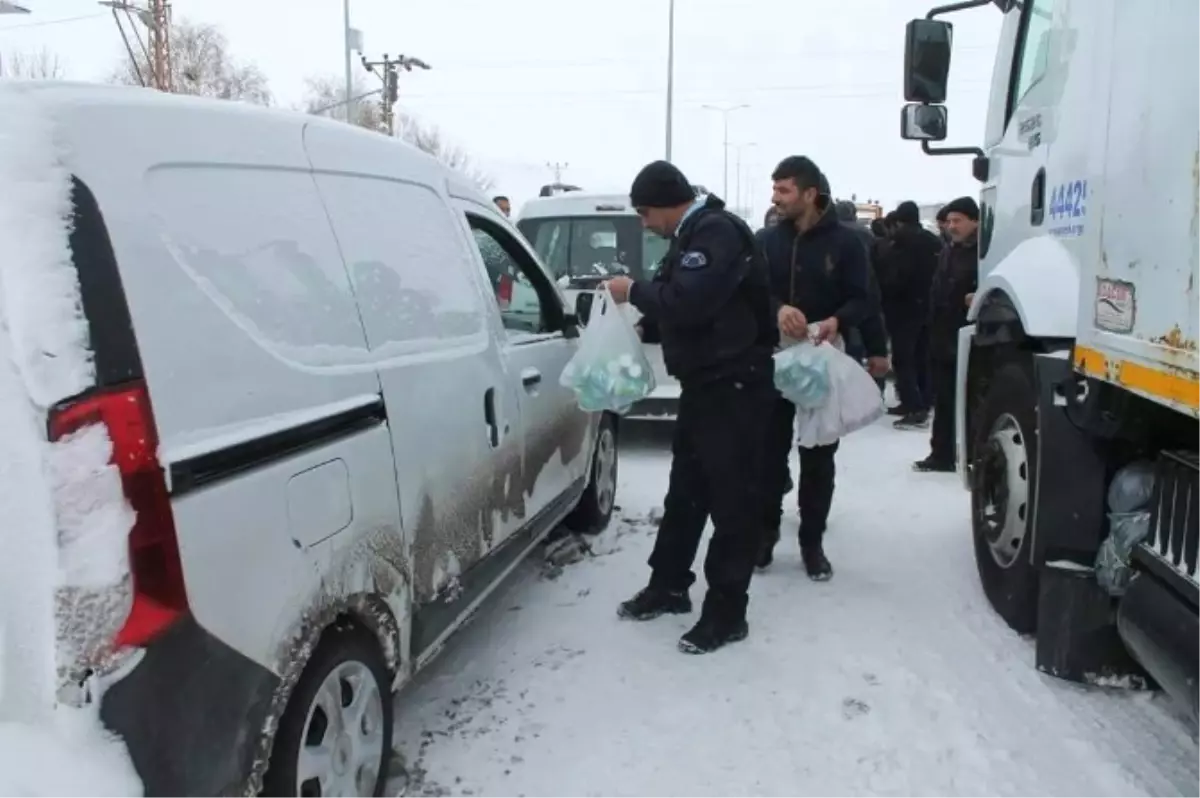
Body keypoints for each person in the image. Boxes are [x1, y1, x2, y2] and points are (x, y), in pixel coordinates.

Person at [604, 160, 777, 654]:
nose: (643, 223)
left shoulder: (716, 232)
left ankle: (727, 613)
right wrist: (646, 327)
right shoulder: (692, 236)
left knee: (731, 501)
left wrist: (632, 291)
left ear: (664, 202)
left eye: (644, 212)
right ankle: (669, 585)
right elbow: (694, 308)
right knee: (686, 492)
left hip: (736, 388)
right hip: (706, 387)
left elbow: (692, 300)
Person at [755, 156, 873, 580]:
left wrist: (836, 320)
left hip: (824, 357)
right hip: (775, 358)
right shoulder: (767, 241)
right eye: (775, 189)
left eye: (784, 190)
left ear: (809, 193)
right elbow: (752, 294)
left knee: (819, 456)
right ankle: (764, 536)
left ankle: (812, 542)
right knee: (768, 454)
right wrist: (778, 309)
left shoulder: (846, 243)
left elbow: (863, 298)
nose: (776, 198)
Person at [915, 196, 979, 473]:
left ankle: (974, 455)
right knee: (944, 399)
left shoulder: (984, 252)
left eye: (958, 221)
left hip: (968, 338)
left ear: (974, 221)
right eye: (949, 221)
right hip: (942, 335)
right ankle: (941, 453)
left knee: (969, 401)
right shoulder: (949, 249)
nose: (951, 226)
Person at [881, 200, 942, 429]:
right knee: (922, 356)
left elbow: (897, 276)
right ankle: (924, 400)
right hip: (929, 306)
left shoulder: (902, 242)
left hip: (904, 308)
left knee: (903, 358)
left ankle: (912, 405)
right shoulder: (933, 241)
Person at [834, 200, 890, 390]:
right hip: (868, 295)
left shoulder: (834, 235)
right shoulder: (866, 234)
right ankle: (874, 387)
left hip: (840, 303)